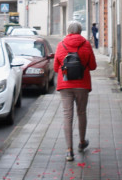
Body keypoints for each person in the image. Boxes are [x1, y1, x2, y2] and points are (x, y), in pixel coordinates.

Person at [54, 20, 97, 161]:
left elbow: (55, 68)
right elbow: (93, 66)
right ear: (80, 30)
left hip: (65, 85)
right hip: (82, 85)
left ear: (68, 30)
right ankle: (82, 142)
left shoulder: (61, 45)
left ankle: (69, 151)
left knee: (67, 116)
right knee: (81, 113)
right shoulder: (86, 44)